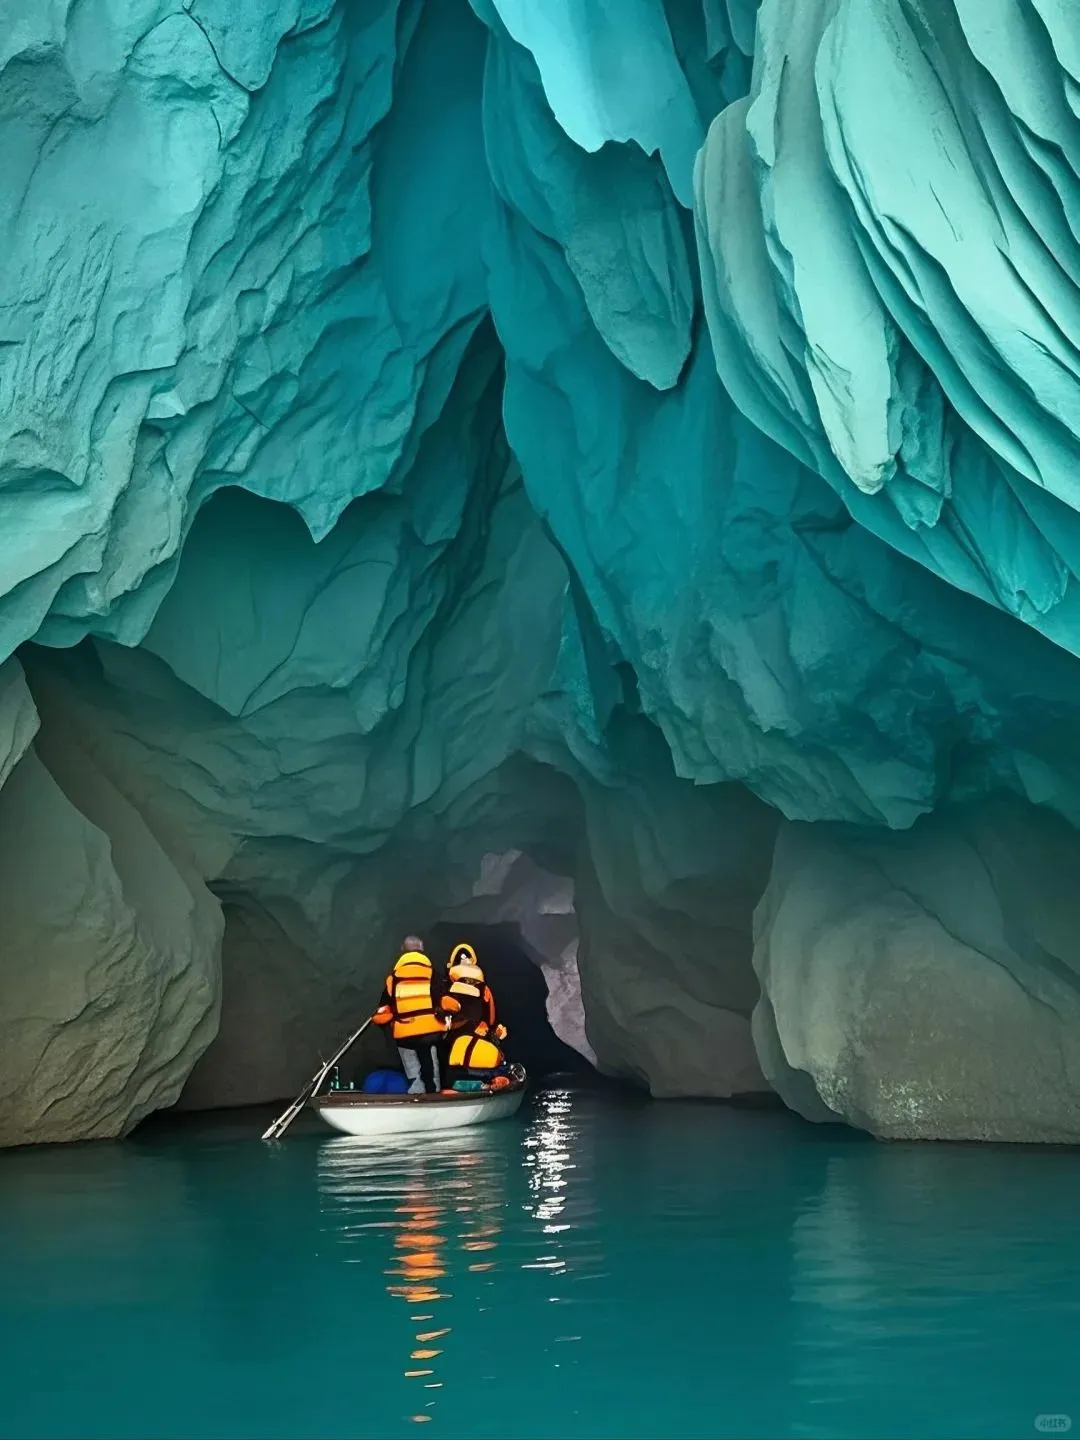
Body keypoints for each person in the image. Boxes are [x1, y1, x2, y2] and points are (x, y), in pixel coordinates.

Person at [371, 936, 447, 1093]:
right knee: (431, 1070)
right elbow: (444, 1002)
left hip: (405, 1034)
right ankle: (434, 1096)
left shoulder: (393, 978)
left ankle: (416, 1093)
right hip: (430, 1033)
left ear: (402, 951)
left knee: (413, 1073)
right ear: (422, 950)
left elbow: (384, 1008)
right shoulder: (434, 975)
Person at [439, 942, 507, 1045]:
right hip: (455, 1030)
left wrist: (491, 1029)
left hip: (476, 1031)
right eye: (460, 959)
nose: (463, 959)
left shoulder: (483, 988)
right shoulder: (447, 986)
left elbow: (491, 1013)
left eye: (466, 957)